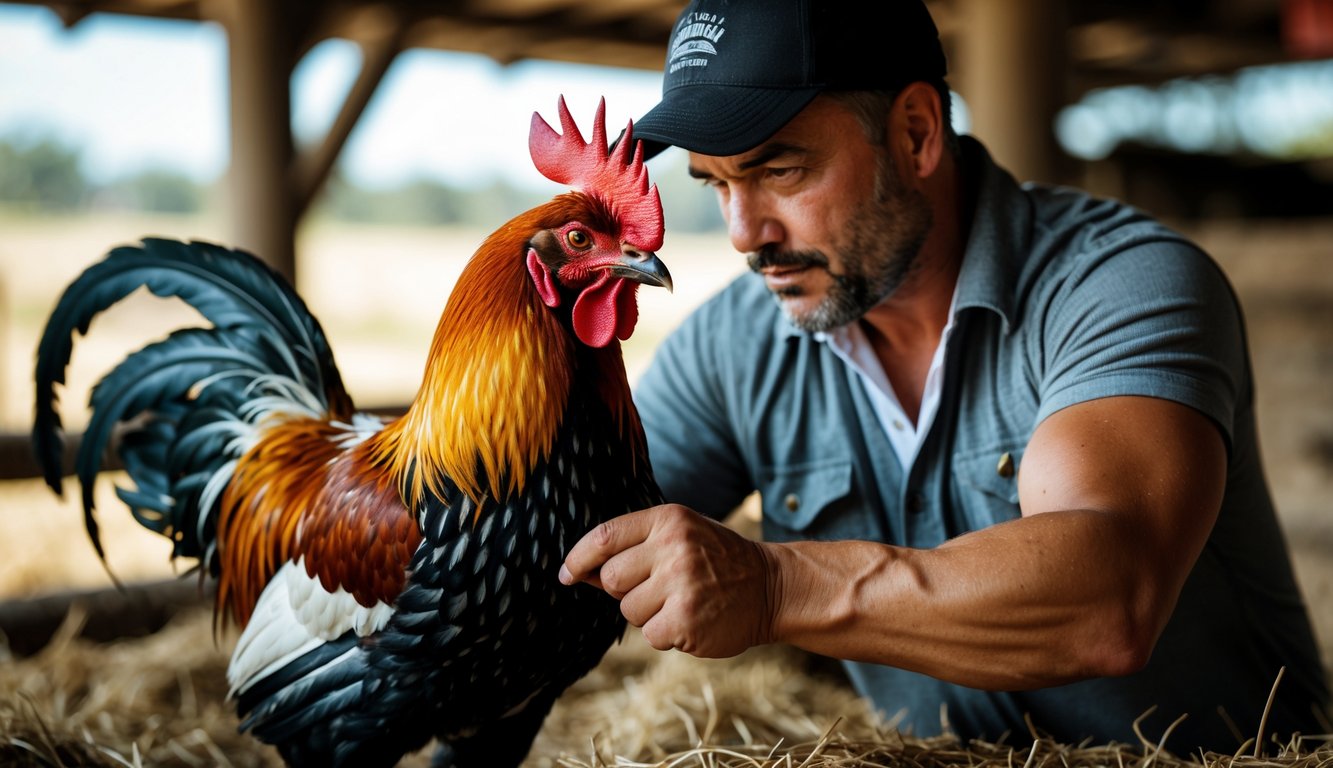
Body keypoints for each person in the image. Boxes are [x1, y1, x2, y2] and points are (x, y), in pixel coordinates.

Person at [558, 0, 1331, 751]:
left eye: (781, 171)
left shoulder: (1123, 282)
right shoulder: (733, 342)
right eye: (717, 184)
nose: (741, 233)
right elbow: (570, 542)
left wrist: (777, 587)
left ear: (915, 133)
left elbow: (1107, 603)